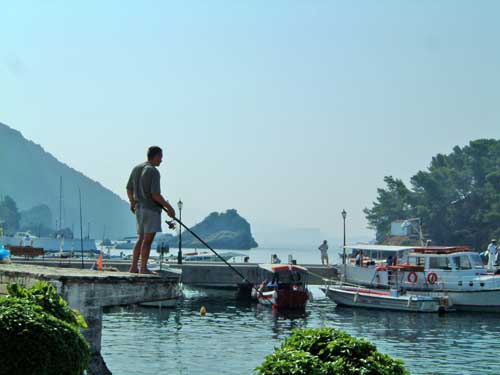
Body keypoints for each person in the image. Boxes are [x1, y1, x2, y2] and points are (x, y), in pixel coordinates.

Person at [126, 146, 176, 274]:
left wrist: (132, 203)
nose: (161, 160)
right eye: (161, 157)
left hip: (139, 209)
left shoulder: (136, 168)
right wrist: (169, 208)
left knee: (140, 238)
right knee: (147, 240)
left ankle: (133, 267)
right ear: (156, 156)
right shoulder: (153, 171)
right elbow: (155, 194)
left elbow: (129, 188)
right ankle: (143, 268)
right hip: (150, 209)